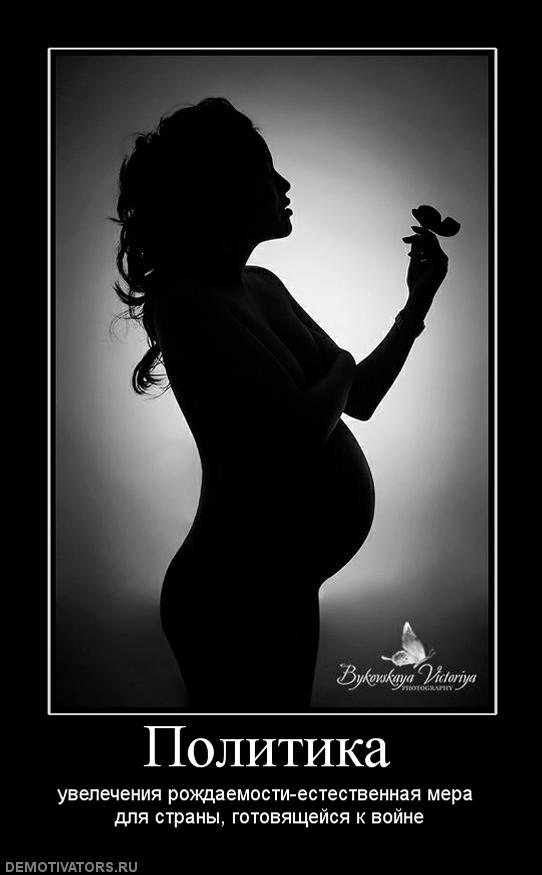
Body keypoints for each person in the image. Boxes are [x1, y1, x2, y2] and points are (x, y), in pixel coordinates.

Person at [113, 97, 449, 711]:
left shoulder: (263, 286)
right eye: (267, 172)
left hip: (287, 584)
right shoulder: (186, 304)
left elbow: (360, 397)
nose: (284, 184)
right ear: (222, 191)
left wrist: (416, 306)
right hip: (232, 593)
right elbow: (299, 432)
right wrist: (340, 364)